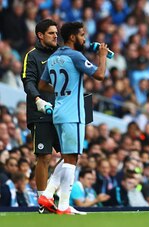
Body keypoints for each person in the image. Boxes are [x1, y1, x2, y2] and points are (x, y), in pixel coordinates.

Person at [38, 21, 108, 215]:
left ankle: (49, 194)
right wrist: (102, 57)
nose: (85, 39)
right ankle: (63, 205)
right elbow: (100, 75)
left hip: (59, 111)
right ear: (72, 37)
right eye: (82, 35)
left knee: (69, 157)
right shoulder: (75, 56)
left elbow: (42, 85)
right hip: (73, 113)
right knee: (71, 159)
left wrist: (61, 90)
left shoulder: (53, 58)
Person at [20, 19, 62, 213]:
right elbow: (28, 81)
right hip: (41, 112)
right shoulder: (32, 56)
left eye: (56, 33)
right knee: (44, 157)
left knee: (71, 156)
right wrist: (38, 99)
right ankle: (42, 202)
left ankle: (53, 193)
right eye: (52, 33)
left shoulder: (63, 54)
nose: (55, 36)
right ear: (40, 35)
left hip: (63, 112)